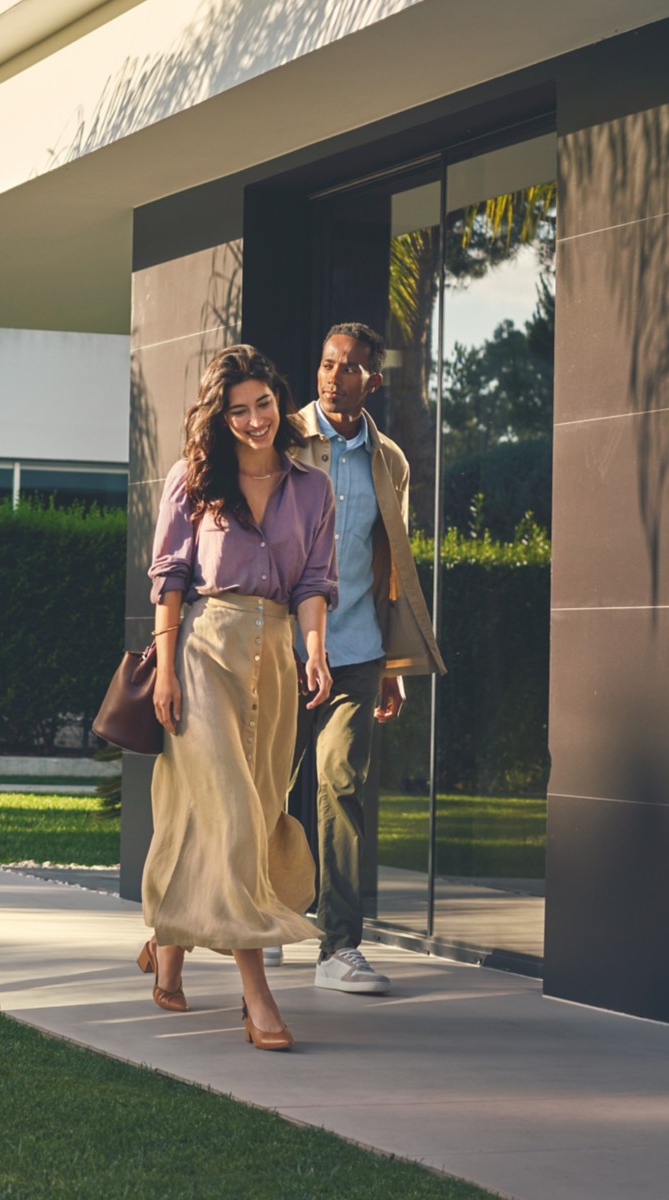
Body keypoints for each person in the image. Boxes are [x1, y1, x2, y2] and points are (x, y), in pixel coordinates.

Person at [138, 344, 337, 1052]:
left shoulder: (313, 489)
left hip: (276, 662)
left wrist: (314, 651)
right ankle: (258, 997)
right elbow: (168, 580)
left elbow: (315, 583)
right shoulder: (191, 480)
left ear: (279, 403)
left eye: (262, 404)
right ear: (219, 418)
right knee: (230, 817)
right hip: (201, 654)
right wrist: (164, 669)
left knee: (245, 809)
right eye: (237, 410)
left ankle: (168, 941)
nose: (253, 420)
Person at [267, 322, 445, 992]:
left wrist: (392, 668)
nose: (333, 377)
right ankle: (269, 916)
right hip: (283, 648)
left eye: (349, 369)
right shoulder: (281, 440)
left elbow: (387, 559)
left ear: (372, 380)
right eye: (326, 364)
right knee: (267, 788)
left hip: (359, 652)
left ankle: (339, 947)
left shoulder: (388, 461)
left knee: (340, 790)